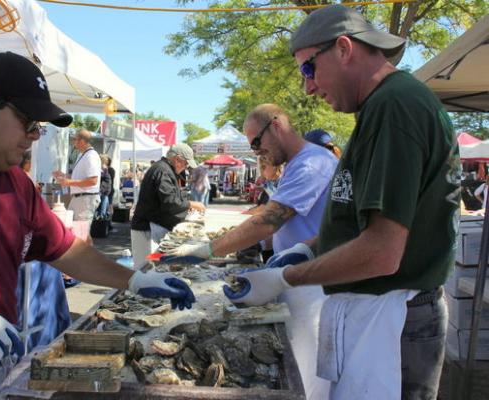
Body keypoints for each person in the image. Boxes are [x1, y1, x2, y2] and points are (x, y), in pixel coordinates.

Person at [0, 51, 195, 399]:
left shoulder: (16, 183)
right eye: (28, 121)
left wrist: (135, 280)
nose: (35, 135)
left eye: (39, 127)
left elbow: (65, 250)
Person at [221, 6, 461, 399]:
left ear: (345, 48)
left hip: (394, 320)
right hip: (380, 314)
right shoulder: (384, 107)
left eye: (308, 69)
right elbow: (360, 220)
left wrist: (284, 278)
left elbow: (383, 252)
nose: (308, 88)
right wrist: (305, 250)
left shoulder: (394, 107)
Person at [170, 104, 338, 399]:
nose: (257, 153)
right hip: (294, 276)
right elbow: (284, 223)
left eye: (257, 144)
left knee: (307, 377)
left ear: (276, 126)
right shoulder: (301, 161)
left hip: (313, 285)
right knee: (296, 365)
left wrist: (207, 250)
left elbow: (271, 219)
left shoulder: (312, 162)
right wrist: (262, 253)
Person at [130, 144, 206, 268]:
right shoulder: (163, 170)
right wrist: (192, 204)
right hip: (147, 228)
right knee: (144, 266)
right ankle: (139, 285)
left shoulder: (165, 169)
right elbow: (170, 201)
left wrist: (186, 204)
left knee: (155, 261)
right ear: (177, 159)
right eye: (186, 164)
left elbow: (172, 195)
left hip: (153, 226)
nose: (186, 167)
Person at [52, 129, 101, 240]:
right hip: (80, 198)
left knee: (80, 234)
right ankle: (90, 256)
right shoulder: (83, 155)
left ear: (82, 141)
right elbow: (80, 178)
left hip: (85, 198)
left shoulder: (91, 156)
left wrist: (69, 182)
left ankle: (86, 256)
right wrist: (64, 176)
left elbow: (93, 180)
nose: (73, 142)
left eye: (75, 139)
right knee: (81, 233)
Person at [96, 154, 113, 220]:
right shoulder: (105, 167)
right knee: (105, 206)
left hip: (104, 189)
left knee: (103, 205)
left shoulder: (103, 167)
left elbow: (102, 176)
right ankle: (105, 217)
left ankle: (102, 217)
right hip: (106, 188)